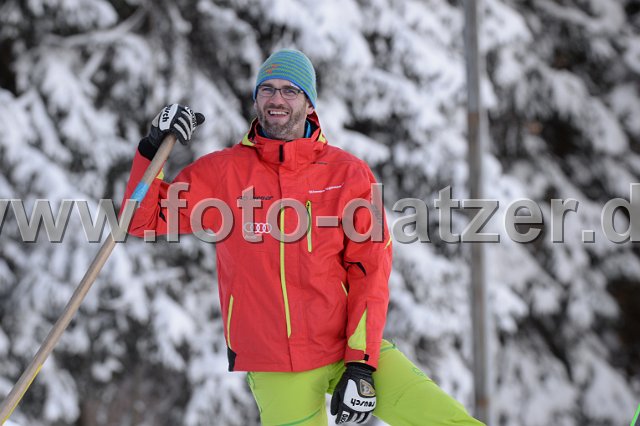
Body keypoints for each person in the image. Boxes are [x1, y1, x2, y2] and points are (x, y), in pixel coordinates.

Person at [123, 49, 484, 425]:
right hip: (274, 362)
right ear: (256, 100)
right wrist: (152, 149)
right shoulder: (225, 173)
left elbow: (370, 271)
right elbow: (140, 220)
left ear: (309, 103)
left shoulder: (348, 175)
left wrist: (361, 364)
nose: (276, 99)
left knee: (449, 420)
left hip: (346, 345)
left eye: (290, 90)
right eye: (267, 89)